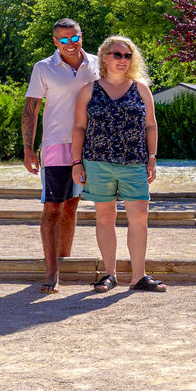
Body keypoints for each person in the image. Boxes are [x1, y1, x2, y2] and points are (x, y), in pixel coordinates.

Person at [71, 35, 164, 293]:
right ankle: (109, 275)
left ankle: (138, 277)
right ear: (104, 58)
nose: (123, 60)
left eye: (128, 55)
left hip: (134, 163)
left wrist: (152, 157)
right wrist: (76, 163)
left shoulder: (141, 89)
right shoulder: (89, 90)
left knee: (139, 218)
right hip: (97, 163)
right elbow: (79, 127)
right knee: (104, 218)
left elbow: (151, 125)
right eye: (117, 55)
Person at [23, 18, 98, 293]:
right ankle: (52, 271)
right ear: (55, 42)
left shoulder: (98, 64)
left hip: (90, 146)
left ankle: (63, 261)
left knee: (72, 206)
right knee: (52, 208)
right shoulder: (43, 68)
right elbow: (31, 108)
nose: (70, 43)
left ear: (81, 36)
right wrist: (28, 149)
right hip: (56, 146)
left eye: (73, 37)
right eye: (63, 39)